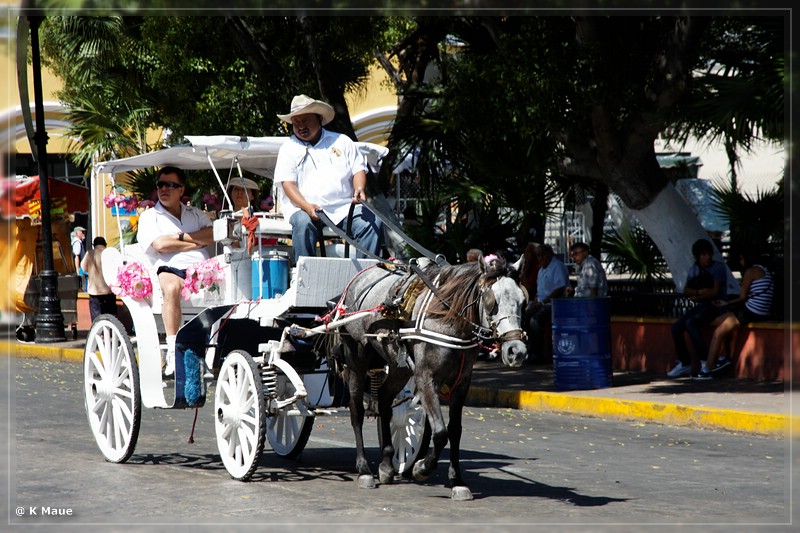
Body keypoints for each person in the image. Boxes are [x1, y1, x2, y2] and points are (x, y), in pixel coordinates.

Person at [273, 94, 383, 264]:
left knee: (372, 221)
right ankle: (306, 275)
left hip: (343, 209)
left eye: (306, 120)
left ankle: (365, 274)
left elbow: (358, 169)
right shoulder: (288, 148)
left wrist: (359, 189)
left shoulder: (342, 141)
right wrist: (307, 206)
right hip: (305, 209)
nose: (301, 126)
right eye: (296, 122)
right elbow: (288, 185)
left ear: (319, 118)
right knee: (302, 223)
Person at [137, 166, 213, 377]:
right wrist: (194, 240)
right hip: (169, 268)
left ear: (181, 189)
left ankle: (214, 353)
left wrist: (178, 238)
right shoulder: (150, 216)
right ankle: (173, 350)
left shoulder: (195, 213)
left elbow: (211, 235)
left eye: (170, 185)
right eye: (160, 184)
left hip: (201, 270)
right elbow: (160, 245)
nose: (164, 189)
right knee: (171, 288)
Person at [695, 250, 774, 380]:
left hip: (752, 310)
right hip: (762, 310)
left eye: (741, 259)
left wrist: (726, 303)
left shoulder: (750, 272)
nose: (740, 262)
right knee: (720, 320)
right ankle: (723, 357)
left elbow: (742, 297)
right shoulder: (764, 270)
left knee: (718, 333)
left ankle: (707, 370)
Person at [667, 238, 728, 379]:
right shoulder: (695, 269)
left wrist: (699, 296)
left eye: (708, 254)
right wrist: (699, 292)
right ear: (697, 256)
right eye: (703, 255)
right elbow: (686, 290)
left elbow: (715, 292)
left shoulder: (718, 267)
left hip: (716, 305)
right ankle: (685, 363)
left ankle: (705, 360)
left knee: (691, 323)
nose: (707, 257)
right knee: (676, 327)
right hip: (702, 304)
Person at [525, 243, 569, 362]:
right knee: (525, 316)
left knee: (535, 321)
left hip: (554, 304)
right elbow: (540, 291)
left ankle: (537, 354)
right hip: (541, 303)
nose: (540, 258)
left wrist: (543, 302)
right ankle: (528, 351)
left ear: (549, 254)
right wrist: (536, 301)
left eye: (542, 255)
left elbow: (560, 289)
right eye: (538, 256)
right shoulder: (541, 270)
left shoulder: (557, 267)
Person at [80, 236, 117, 322]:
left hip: (94, 291)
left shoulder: (89, 253)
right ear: (105, 244)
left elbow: (83, 268)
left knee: (96, 317)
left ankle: (98, 330)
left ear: (94, 245)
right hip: (109, 290)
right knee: (111, 316)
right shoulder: (109, 254)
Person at [71, 226, 87, 290]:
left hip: (82, 268)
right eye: (82, 232)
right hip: (81, 268)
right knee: (83, 285)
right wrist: (78, 270)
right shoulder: (77, 242)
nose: (83, 233)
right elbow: (76, 256)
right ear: (77, 233)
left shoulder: (78, 242)